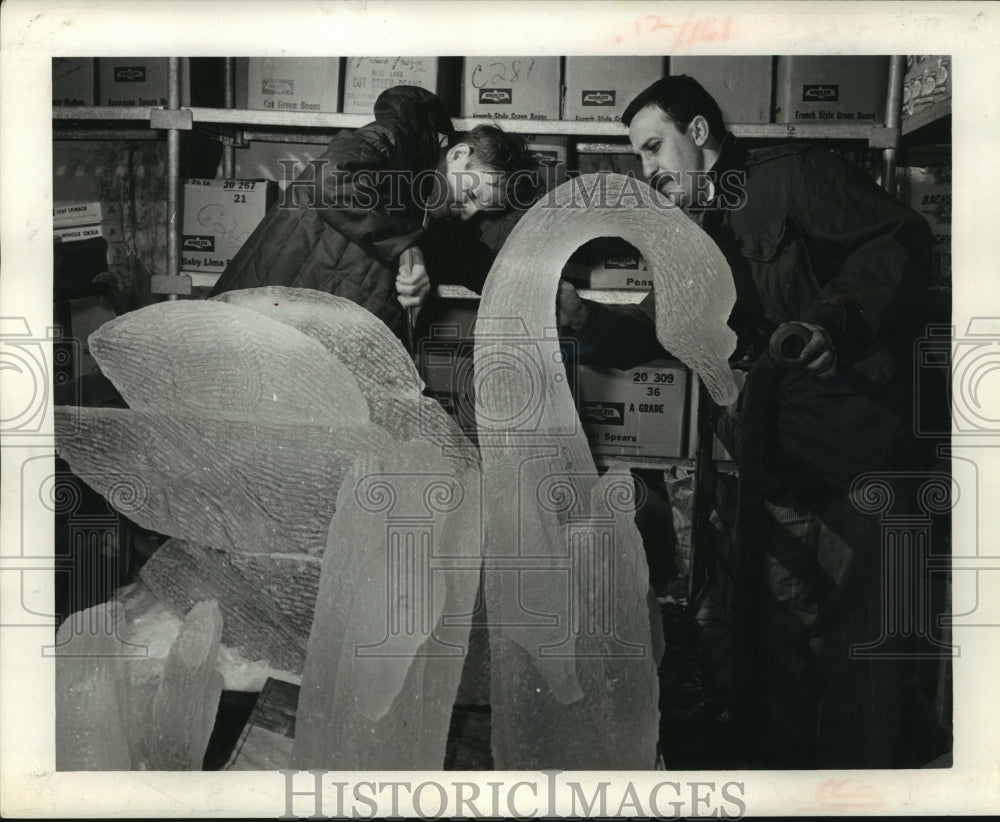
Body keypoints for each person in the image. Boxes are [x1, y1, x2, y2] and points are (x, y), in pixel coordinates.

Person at [557, 75, 937, 768]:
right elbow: (660, 325)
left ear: (698, 134)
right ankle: (787, 786)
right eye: (637, 156)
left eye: (653, 148)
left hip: (861, 452)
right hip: (775, 459)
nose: (649, 170)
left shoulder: (793, 178)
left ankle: (860, 793)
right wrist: (587, 321)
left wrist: (835, 322)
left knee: (861, 644)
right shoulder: (690, 230)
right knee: (777, 638)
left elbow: (901, 244)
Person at [210, 84, 538, 345]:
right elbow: (330, 178)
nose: (469, 215)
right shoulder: (396, 138)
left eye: (482, 211)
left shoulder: (441, 214)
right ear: (458, 154)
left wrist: (545, 290)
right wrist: (406, 246)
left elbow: (474, 262)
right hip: (261, 323)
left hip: (306, 343)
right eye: (471, 195)